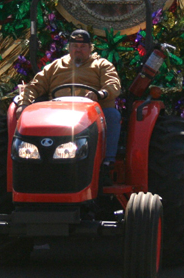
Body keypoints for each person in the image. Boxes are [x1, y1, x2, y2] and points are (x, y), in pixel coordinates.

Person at [21, 29, 121, 178]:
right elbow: (34, 86)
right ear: (69, 48)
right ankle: (32, 165)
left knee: (112, 115)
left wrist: (100, 94)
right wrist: (23, 105)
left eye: (82, 47)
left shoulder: (101, 65)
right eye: (75, 46)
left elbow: (113, 84)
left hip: (92, 113)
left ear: (90, 48)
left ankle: (107, 163)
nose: (78, 50)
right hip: (57, 113)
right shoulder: (55, 66)